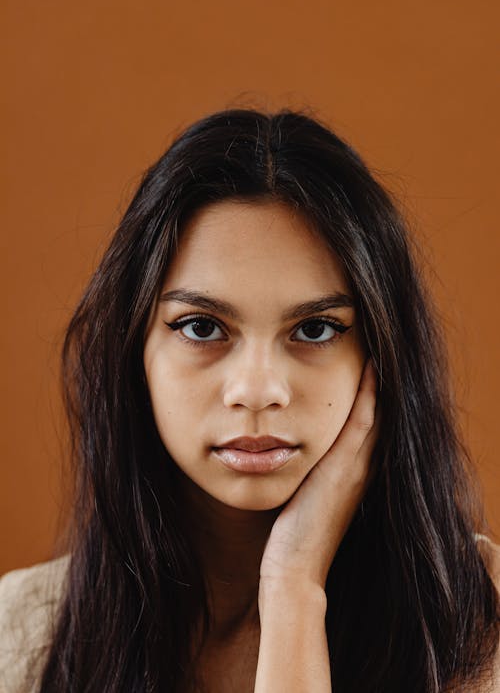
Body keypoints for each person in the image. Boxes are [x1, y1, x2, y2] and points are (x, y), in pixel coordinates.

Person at [0, 108, 499, 693]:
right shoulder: (22, 634)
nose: (258, 391)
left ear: (383, 358)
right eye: (202, 327)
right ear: (132, 351)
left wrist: (293, 588)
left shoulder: (478, 626)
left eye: (315, 329)